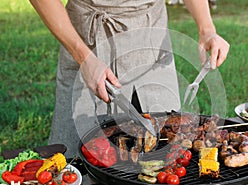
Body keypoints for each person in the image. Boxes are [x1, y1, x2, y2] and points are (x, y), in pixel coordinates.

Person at [29, 0, 230, 158]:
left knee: (168, 151)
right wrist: (84, 58)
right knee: (73, 160)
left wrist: (207, 30)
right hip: (86, 39)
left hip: (151, 36)